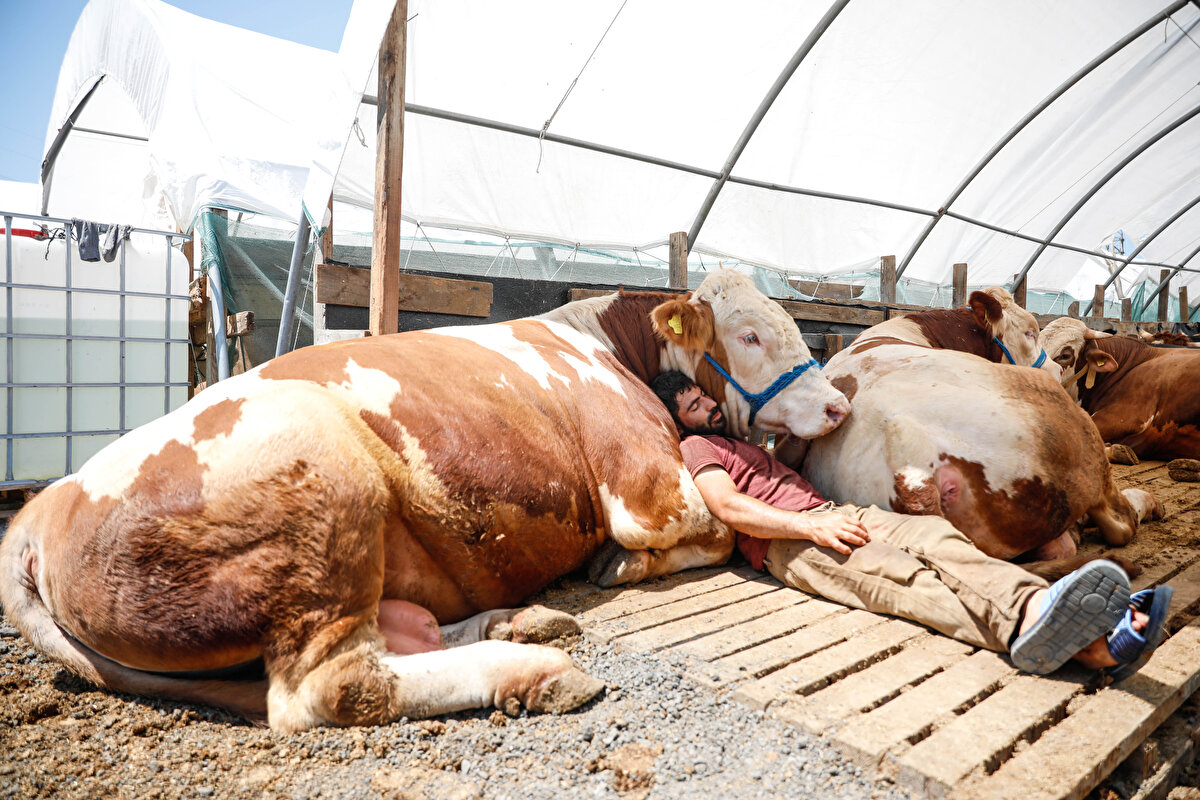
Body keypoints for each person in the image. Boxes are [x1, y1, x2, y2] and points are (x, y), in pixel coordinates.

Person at [650, 370, 1172, 678]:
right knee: (906, 582)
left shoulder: (738, 439)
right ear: (681, 421)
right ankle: (1088, 642)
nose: (709, 406)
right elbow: (727, 507)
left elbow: (783, 453)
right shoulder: (698, 447)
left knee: (935, 536)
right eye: (695, 406)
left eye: (704, 396)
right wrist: (805, 529)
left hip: (835, 516)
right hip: (794, 543)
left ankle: (1045, 607)